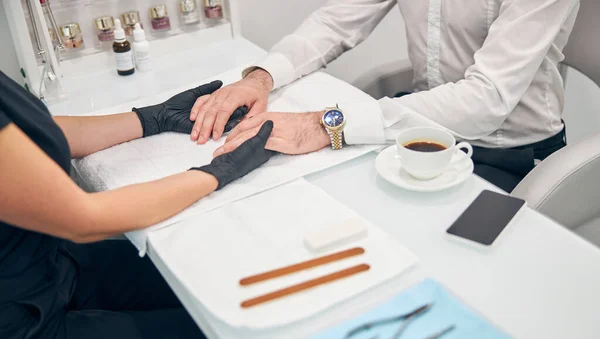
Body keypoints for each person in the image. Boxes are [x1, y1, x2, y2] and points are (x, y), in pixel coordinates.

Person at [0, 71, 274, 339]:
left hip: (47, 266)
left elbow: (28, 139)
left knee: (206, 280)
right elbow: (84, 218)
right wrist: (216, 172)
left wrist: (151, 118)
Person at [189, 0, 580, 192]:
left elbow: (487, 101)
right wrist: (261, 77)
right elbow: (335, 21)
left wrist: (324, 124)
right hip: (419, 131)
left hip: (508, 152)